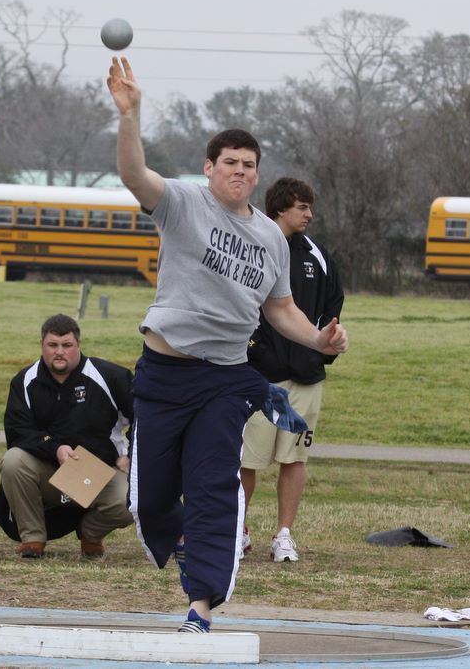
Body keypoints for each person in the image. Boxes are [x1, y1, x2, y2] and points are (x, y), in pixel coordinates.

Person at [106, 56, 348, 633]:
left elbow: (280, 309)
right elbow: (134, 175)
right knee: (147, 501)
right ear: (209, 167)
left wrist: (320, 339)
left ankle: (202, 604)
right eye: (230, 163)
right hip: (165, 374)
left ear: (258, 174)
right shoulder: (183, 204)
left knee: (215, 488)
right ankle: (182, 541)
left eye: (249, 165)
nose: (240, 172)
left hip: (224, 379)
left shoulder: (270, 237)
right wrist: (130, 115)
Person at [241, 177, 344, 563]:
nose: (309, 214)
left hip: (305, 378)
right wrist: (257, 352)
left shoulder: (318, 256)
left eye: (310, 207)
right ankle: (238, 530)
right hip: (257, 379)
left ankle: (283, 535)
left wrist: (321, 352)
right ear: (281, 208)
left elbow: (333, 307)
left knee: (294, 458)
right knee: (245, 462)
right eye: (302, 207)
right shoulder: (252, 246)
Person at [0, 314, 133, 559]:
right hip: (49, 471)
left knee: (132, 500)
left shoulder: (111, 376)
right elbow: (18, 431)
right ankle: (33, 538)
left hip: (99, 472)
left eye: (67, 345)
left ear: (78, 344)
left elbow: (146, 417)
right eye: (53, 345)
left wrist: (131, 454)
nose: (59, 352)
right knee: (13, 460)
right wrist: (55, 448)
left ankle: (90, 532)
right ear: (42, 345)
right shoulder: (24, 381)